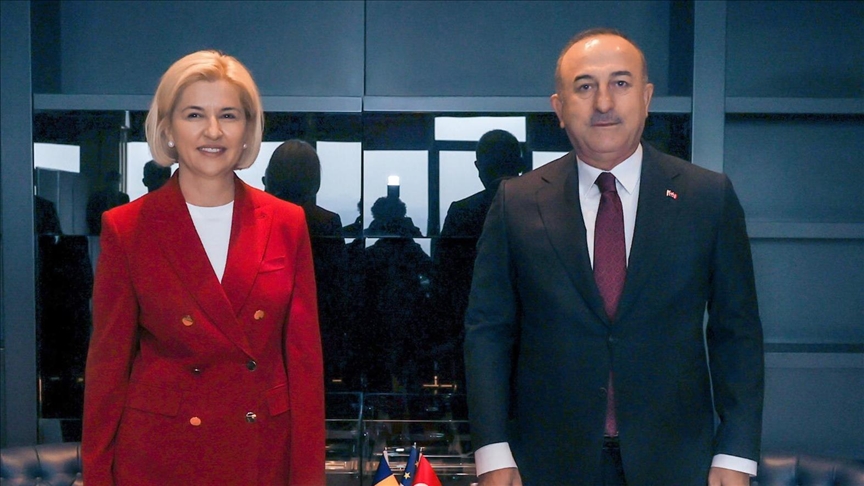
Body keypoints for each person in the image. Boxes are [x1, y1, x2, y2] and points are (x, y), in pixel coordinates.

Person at [463, 28, 764, 485]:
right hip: (544, 464)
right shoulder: (517, 202)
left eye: (620, 83)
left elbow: (736, 333)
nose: (603, 102)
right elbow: (488, 332)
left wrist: (736, 454)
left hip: (679, 464)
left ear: (646, 98)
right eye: (584, 86)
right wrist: (492, 451)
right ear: (559, 108)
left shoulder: (707, 197)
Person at [82, 50, 325, 485]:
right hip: (161, 458)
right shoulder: (127, 228)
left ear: (247, 129)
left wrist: (307, 477)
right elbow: (108, 371)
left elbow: (305, 368)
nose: (213, 131)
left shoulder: (287, 223)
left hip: (260, 455)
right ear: (167, 128)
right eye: (194, 114)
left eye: (228, 115)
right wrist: (98, 475)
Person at [431, 129, 524, 387]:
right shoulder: (544, 208)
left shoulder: (462, 212)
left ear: (479, 166)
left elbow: (444, 278)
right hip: (532, 333)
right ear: (519, 163)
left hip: (473, 330)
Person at [263, 139, 348, 389]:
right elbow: (338, 285)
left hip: (268, 326)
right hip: (318, 325)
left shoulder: (261, 219)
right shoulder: (327, 222)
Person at [86, 170, 130, 235]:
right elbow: (91, 218)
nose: (114, 184)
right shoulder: (96, 197)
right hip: (100, 232)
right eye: (112, 181)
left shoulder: (124, 198)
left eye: (116, 180)